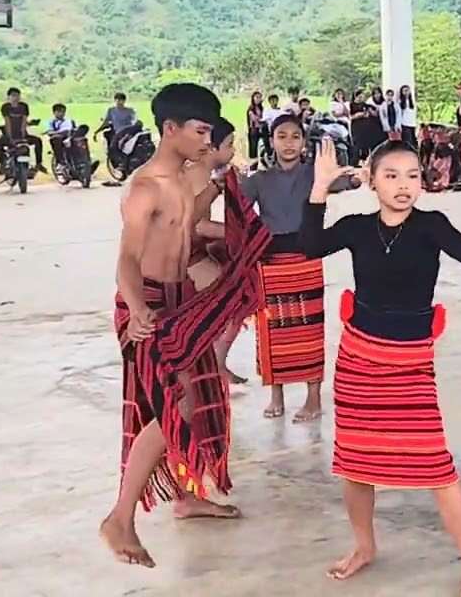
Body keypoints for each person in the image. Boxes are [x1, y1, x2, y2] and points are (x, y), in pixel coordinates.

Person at [301, 138, 461, 590]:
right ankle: (364, 545)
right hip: (358, 356)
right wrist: (320, 187)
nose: (404, 185)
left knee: (436, 466)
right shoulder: (356, 227)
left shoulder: (430, 224)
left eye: (413, 176)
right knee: (355, 461)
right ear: (371, 181)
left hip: (409, 360)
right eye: (392, 175)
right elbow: (309, 245)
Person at [101, 83, 271, 568]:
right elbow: (127, 261)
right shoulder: (145, 187)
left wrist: (226, 187)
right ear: (170, 129)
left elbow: (187, 225)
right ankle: (120, 517)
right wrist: (136, 310)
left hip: (182, 301)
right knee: (170, 407)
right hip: (150, 305)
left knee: (194, 402)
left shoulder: (180, 182)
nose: (206, 140)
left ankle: (186, 495)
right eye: (200, 131)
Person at [242, 113, 359, 421]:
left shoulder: (314, 175)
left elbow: (349, 180)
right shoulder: (259, 180)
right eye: (282, 136)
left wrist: (365, 173)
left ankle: (313, 398)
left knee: (309, 329)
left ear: (304, 142)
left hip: (306, 257)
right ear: (271, 141)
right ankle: (276, 394)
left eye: (295, 136)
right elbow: (235, 200)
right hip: (269, 262)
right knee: (272, 329)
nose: (289, 143)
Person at [183, 116, 245, 385]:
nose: (232, 152)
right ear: (212, 147)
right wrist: (241, 234)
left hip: (193, 252)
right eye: (230, 145)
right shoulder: (198, 174)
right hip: (187, 258)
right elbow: (198, 226)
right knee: (240, 297)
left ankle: (215, 362)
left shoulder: (200, 171)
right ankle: (212, 364)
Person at [0, 87, 45, 173]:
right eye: (13, 95)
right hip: (10, 134)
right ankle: (2, 163)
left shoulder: (24, 106)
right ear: (9, 97)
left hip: (22, 133)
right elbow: (7, 122)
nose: (15, 98)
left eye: (17, 95)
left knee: (38, 141)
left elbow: (24, 121)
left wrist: (23, 135)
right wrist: (10, 137)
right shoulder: (6, 107)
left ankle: (39, 163)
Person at [99, 92, 140, 162]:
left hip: (123, 131)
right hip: (127, 130)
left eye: (121, 100)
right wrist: (98, 130)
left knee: (113, 146)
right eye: (118, 100)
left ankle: (121, 162)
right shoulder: (111, 110)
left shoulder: (130, 110)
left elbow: (134, 120)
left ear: (124, 101)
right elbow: (106, 122)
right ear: (115, 100)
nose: (120, 102)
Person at [45, 103, 76, 168]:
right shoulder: (51, 122)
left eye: (63, 111)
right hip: (60, 138)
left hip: (70, 136)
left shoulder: (69, 120)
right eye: (59, 111)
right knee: (55, 138)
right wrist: (59, 132)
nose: (61, 113)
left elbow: (72, 129)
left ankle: (87, 161)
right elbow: (49, 132)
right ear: (54, 112)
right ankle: (61, 162)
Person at [245, 91, 264, 161]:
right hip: (254, 129)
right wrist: (261, 119)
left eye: (259, 97)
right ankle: (253, 162)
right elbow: (253, 118)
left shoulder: (261, 108)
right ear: (253, 98)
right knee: (253, 147)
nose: (258, 99)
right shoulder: (251, 108)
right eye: (257, 97)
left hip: (260, 128)